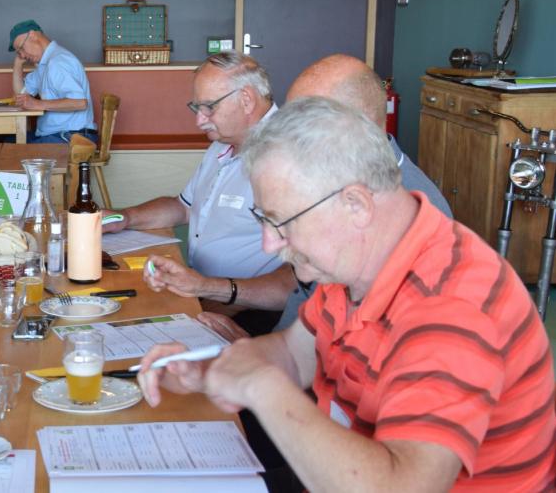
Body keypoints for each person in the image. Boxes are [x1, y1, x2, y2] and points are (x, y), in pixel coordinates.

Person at [137, 97, 556, 491]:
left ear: (355, 204)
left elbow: (403, 486)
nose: (269, 244)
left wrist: (262, 387)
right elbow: (296, 351)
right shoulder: (354, 261)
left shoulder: (451, 303)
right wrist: (215, 371)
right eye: (263, 219)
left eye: (282, 222)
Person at [196, 54, 454, 343]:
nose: (289, 141)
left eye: (305, 128)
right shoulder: (331, 183)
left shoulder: (411, 219)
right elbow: (310, 311)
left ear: (361, 129)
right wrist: (265, 351)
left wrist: (269, 366)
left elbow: (358, 369)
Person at [103, 52, 287, 336]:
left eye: (209, 108)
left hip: (250, 310)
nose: (200, 121)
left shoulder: (287, 156)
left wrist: (217, 293)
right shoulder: (223, 142)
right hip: (206, 292)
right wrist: (124, 217)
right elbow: (184, 207)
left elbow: (299, 280)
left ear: (247, 100)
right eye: (197, 108)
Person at [8, 19, 96, 144]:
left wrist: (39, 104)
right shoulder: (45, 63)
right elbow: (20, 96)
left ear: (32, 35)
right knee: (8, 142)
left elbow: (80, 103)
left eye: (21, 48)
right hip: (59, 134)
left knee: (8, 151)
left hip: (71, 137)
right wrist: (17, 64)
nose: (22, 55)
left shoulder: (58, 62)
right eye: (18, 52)